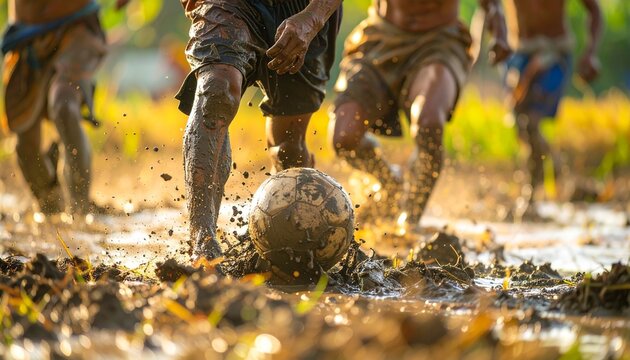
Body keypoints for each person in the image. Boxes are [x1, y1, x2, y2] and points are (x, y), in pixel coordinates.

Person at [176, 0, 342, 261]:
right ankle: (202, 241)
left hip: (304, 8)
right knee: (216, 93)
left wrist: (312, 19)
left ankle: (290, 247)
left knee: (288, 149)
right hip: (231, 5)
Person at [331, 0, 511, 230]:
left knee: (429, 123)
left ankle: (411, 217)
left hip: (439, 42)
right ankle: (391, 182)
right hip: (381, 37)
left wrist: (499, 29)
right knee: (344, 138)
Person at [1, 0, 130, 215]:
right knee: (25, 144)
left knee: (63, 106)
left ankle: (80, 211)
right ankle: (50, 205)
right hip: (25, 36)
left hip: (76, 27)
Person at [500, 0, 602, 217]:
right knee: (521, 124)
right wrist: (488, 41)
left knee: (532, 122)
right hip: (519, 51)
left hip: (554, 51)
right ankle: (551, 162)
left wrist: (591, 52)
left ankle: (530, 196)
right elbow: (487, 7)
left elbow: (594, 9)